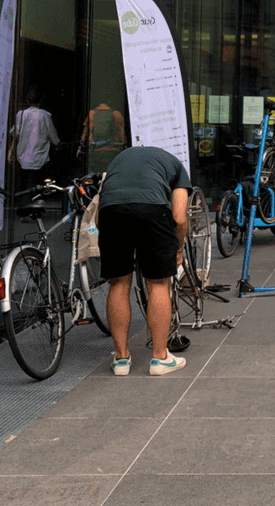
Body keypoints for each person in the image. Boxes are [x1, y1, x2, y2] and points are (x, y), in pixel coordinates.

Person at [98, 145, 191, 376]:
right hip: (152, 209)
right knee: (158, 283)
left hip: (111, 212)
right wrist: (177, 248)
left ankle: (121, 359)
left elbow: (100, 219)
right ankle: (160, 358)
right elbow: (179, 218)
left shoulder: (118, 162)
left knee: (118, 282)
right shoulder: (178, 168)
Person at [8, 89, 60, 189]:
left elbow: (16, 134)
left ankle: (25, 200)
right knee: (37, 183)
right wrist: (58, 144)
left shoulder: (21, 114)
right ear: (40, 101)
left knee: (25, 182)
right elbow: (53, 136)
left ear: (27, 101)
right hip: (39, 156)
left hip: (23, 155)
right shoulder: (45, 115)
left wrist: (10, 151)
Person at [79, 100, 127, 170]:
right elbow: (122, 134)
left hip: (95, 150)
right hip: (112, 150)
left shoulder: (91, 114)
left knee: (96, 173)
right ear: (109, 102)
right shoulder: (116, 114)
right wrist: (126, 148)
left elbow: (84, 133)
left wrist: (79, 148)